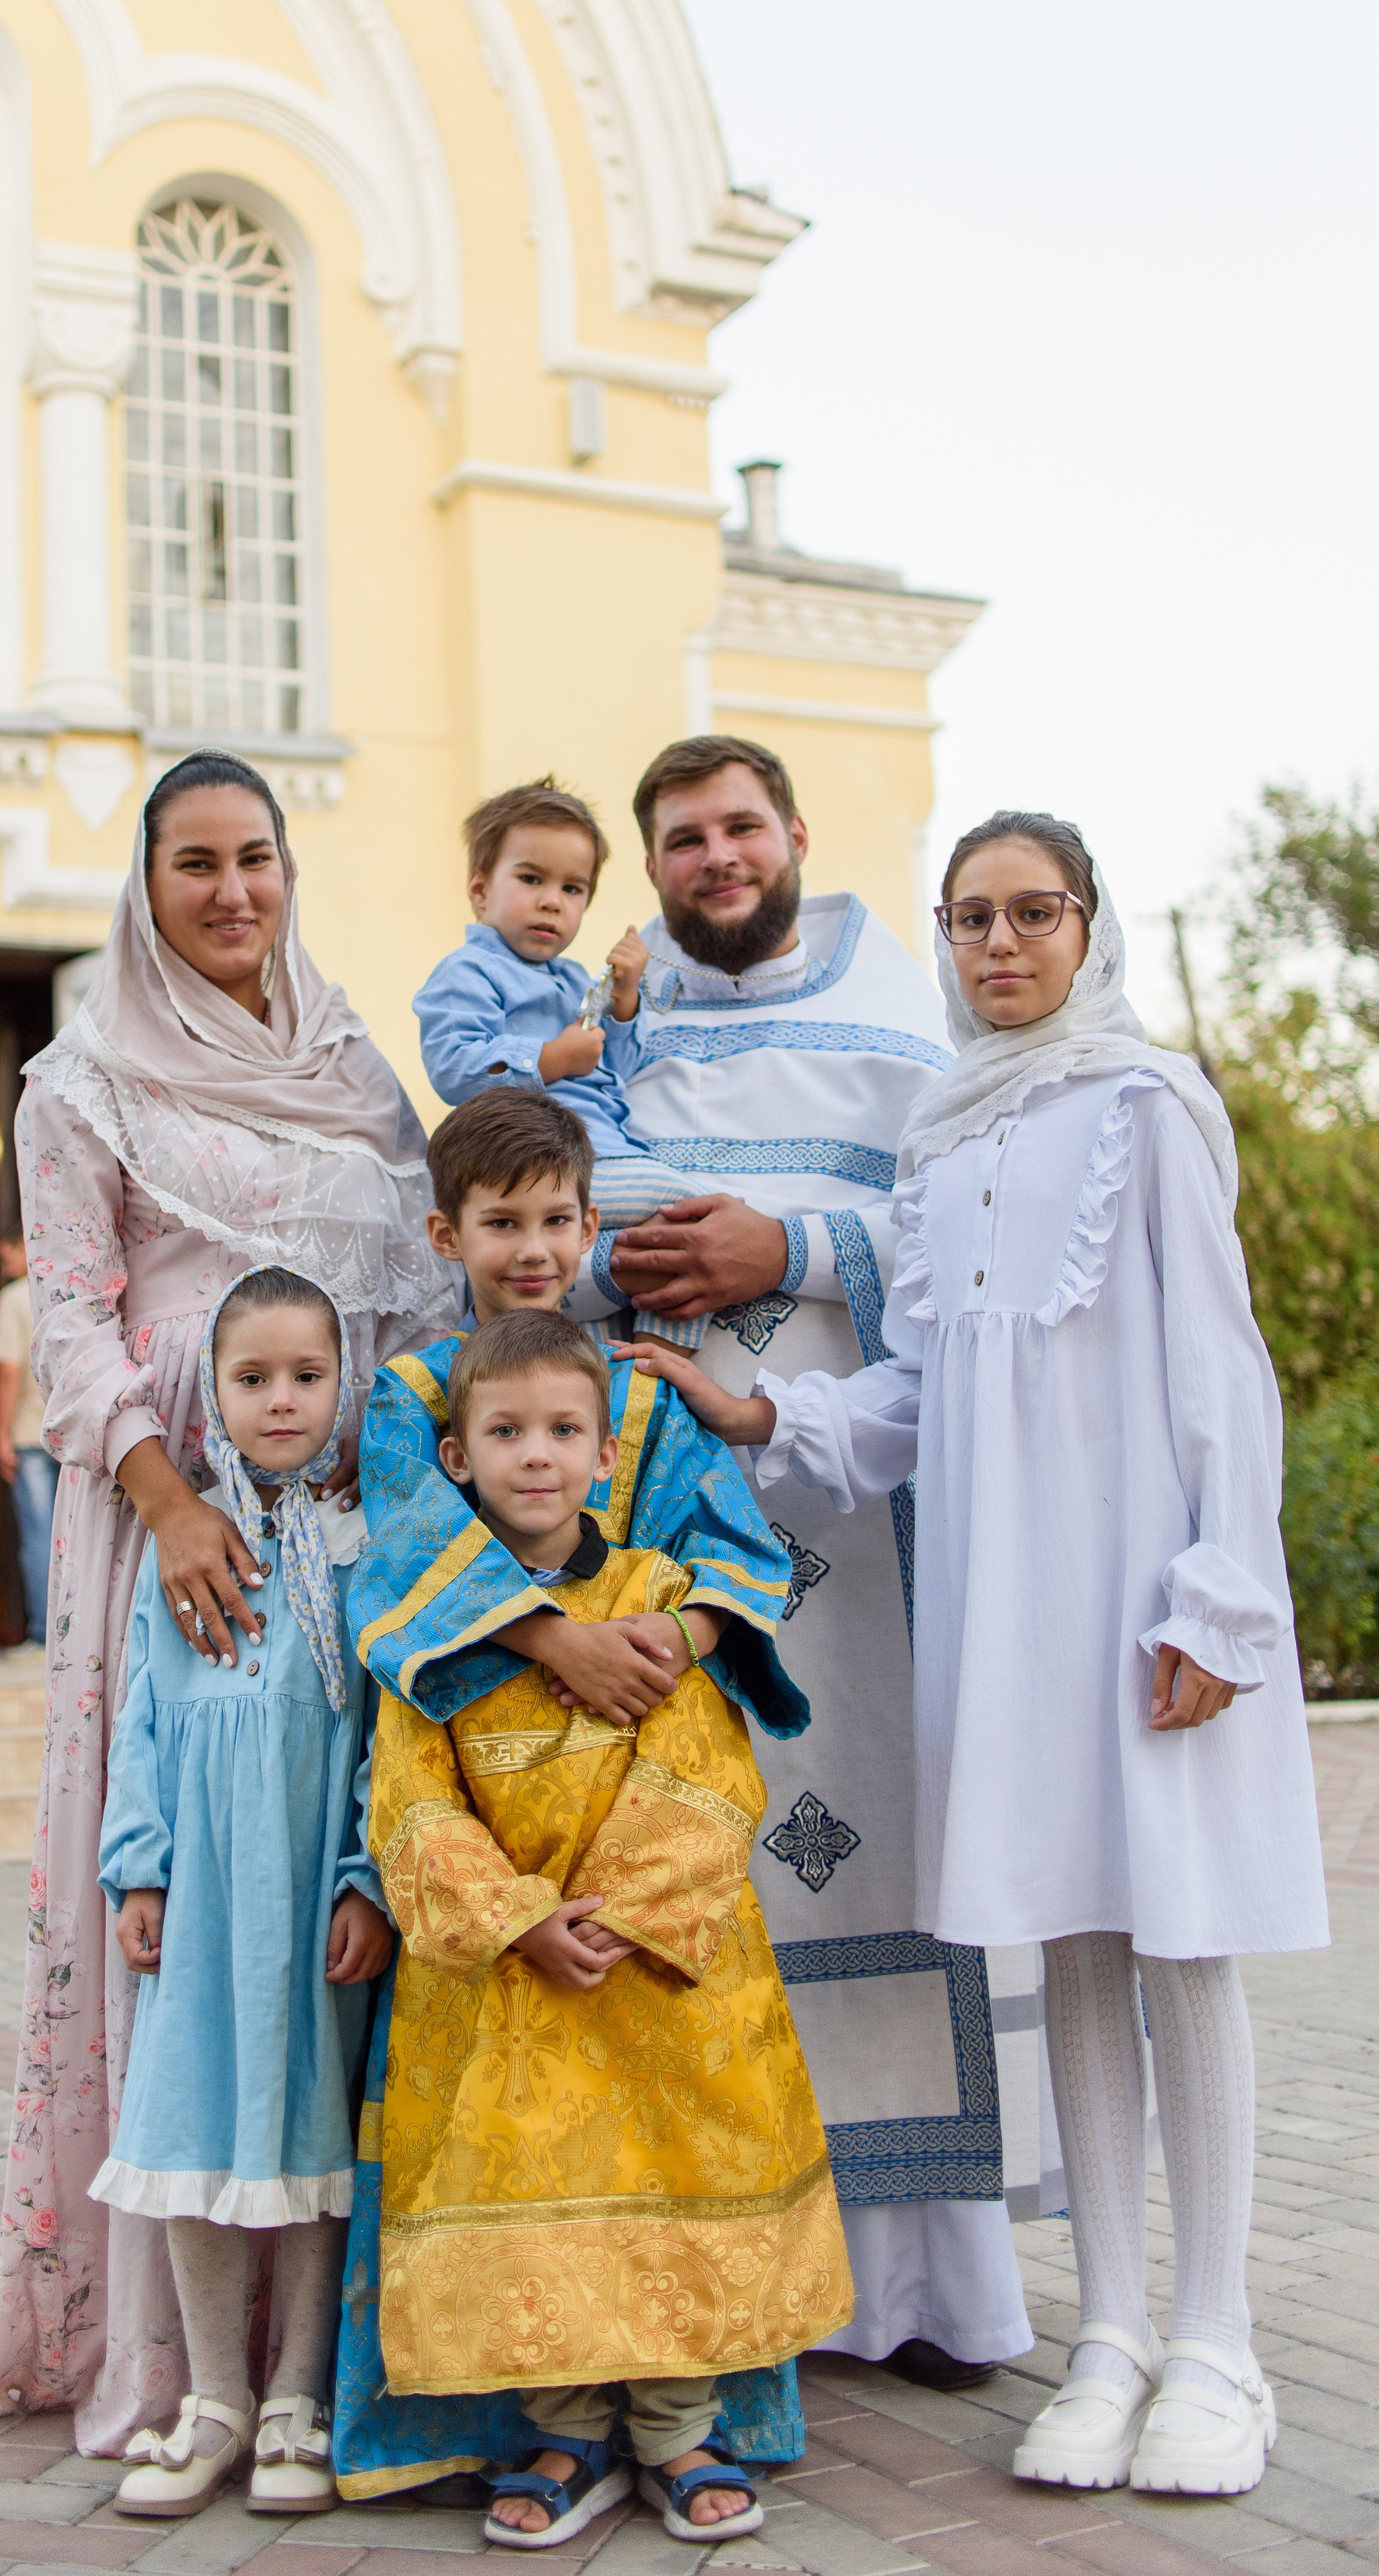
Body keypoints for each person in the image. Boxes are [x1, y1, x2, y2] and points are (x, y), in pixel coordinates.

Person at [637, 812, 1328, 2500]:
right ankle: (1104, 2338)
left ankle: (1216, 2342)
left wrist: (1219, 1595)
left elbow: (1217, 1365)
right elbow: (918, 1398)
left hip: (1148, 1593)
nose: (999, 944)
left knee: (1180, 1947)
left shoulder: (1145, 1107)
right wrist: (765, 1408)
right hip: (1004, 1605)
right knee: (1073, 1951)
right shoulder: (939, 1144)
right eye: (969, 918)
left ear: (1089, 928)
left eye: (1031, 914)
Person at [0, 750, 451, 2456]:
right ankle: (185, 2360)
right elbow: (77, 1320)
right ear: (145, 886)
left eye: (255, 859)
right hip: (176, 1545)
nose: (231, 892)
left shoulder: (351, 1067)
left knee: (330, 1906)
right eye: (193, 864)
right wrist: (165, 1497)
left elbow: (429, 1274)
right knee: (174, 1903)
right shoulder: (82, 1084)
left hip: (344, 1537)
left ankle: (326, 2360)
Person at [578, 736, 1032, 2384]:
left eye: (738, 827)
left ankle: (922, 2291)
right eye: (682, 837)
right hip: (671, 1512)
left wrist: (793, 1244)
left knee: (875, 1853)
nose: (715, 857)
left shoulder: (906, 1014)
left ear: (793, 837)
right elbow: (540, 1209)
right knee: (720, 1871)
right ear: (654, 866)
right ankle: (744, 2285)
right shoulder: (624, 1035)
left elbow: (984, 1224)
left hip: (863, 1501)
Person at [335, 1089, 805, 2505]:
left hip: (652, 1813)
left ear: (587, 1222)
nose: (532, 1248)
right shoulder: (417, 1397)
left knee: (672, 2148)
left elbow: (733, 1557)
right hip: (494, 1804)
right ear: (449, 1232)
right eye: (502, 1222)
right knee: (511, 2159)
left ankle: (682, 2427)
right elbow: (404, 1569)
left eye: (556, 1220)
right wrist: (554, 1640)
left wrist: (674, 1642)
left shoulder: (650, 1397)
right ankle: (543, 2427)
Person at [94, 1268, 394, 2523]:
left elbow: (392, 1731)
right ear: (212, 1392)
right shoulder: (188, 1544)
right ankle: (213, 2396)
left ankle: (296, 2400)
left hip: (314, 1887)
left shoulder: (369, 1547)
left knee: (314, 2137)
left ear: (345, 1385)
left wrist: (368, 1877)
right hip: (208, 1894)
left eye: (307, 1375)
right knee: (192, 2120)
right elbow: (144, 1716)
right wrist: (141, 1862)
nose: (282, 1400)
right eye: (253, 1377)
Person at [412, 778, 714, 1345]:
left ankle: (618, 1373)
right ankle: (657, 1361)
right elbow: (453, 1066)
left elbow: (614, 1070)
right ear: (480, 888)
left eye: (573, 888)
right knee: (695, 1213)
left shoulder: (577, 981)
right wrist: (546, 1059)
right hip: (538, 1164)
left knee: (596, 1305)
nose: (553, 900)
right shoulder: (469, 971)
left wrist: (624, 1000)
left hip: (602, 1156)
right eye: (532, 879)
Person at [0, 1228, 57, 1647]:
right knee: (77, 1532)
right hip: (74, 1434)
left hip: (31, 1433)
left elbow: (8, 1371)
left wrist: (0, 1435)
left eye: (6, 1253)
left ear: (26, 1245)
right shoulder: (67, 1288)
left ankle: (43, 1634)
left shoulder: (14, 1297)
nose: (4, 1263)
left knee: (39, 1537)